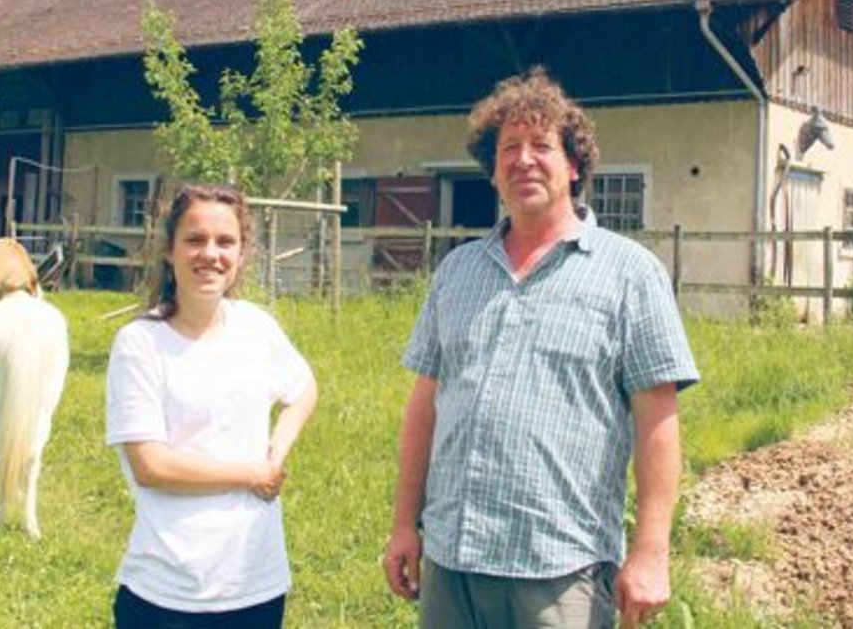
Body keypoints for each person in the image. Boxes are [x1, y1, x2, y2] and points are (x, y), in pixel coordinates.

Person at [383, 68, 699, 628]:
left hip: (560, 568)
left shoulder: (629, 273)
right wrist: (405, 524)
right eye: (508, 148)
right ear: (492, 170)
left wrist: (651, 552)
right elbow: (425, 405)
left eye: (541, 145)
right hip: (452, 561)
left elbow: (657, 419)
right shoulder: (458, 271)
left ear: (574, 165)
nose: (523, 160)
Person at [107, 183, 319, 628]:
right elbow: (151, 465)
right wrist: (252, 474)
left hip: (256, 584)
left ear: (241, 254)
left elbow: (303, 389)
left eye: (225, 242)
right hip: (169, 592)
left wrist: (276, 454)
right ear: (170, 251)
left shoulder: (256, 328)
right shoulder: (140, 343)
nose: (210, 254)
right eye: (195, 240)